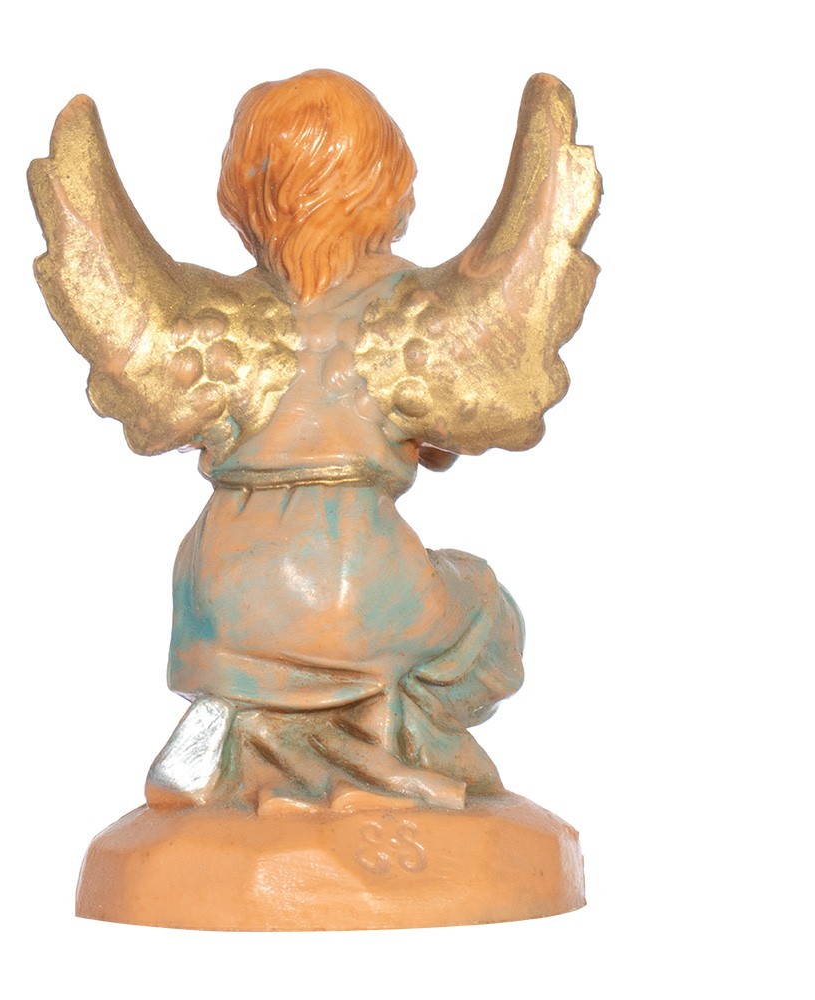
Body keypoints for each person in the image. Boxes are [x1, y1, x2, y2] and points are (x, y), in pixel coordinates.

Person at [147, 70, 525, 813]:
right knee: (482, 606)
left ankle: (239, 727)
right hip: (353, 569)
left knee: (283, 630)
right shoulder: (406, 303)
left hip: (215, 588)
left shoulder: (227, 313)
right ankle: (383, 744)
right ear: (384, 183)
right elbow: (445, 431)